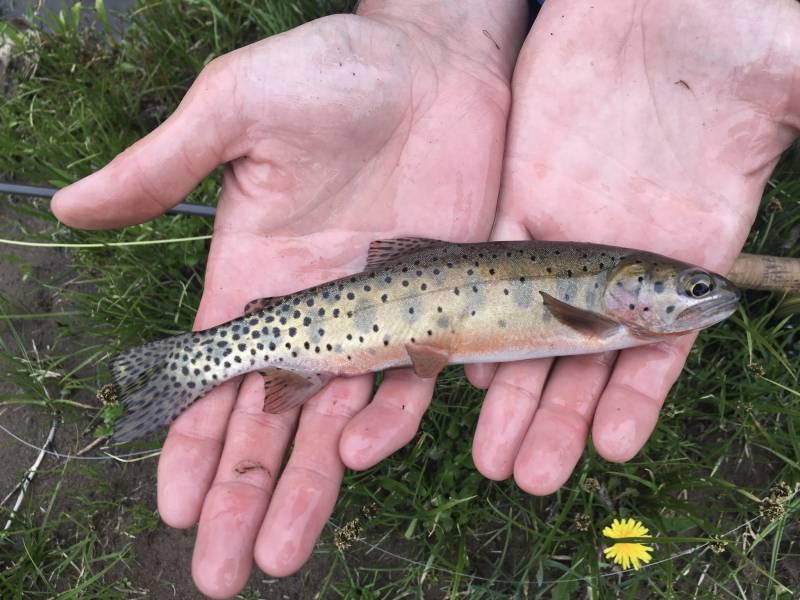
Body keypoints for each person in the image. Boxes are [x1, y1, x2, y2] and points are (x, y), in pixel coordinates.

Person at [51, 0, 800, 597]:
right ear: (628, 293)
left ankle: (190, 367)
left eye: (696, 291)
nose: (700, 299)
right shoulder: (598, 321)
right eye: (691, 291)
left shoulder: (606, 318)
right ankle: (192, 365)